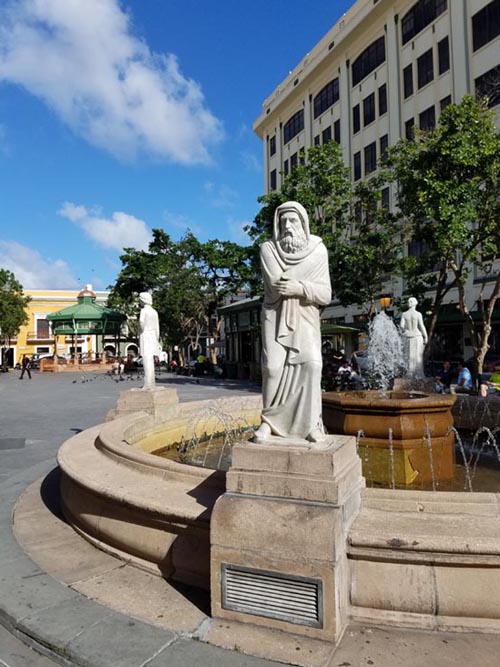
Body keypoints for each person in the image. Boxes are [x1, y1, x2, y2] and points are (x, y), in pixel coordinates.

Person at [254, 201, 332, 444]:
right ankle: (268, 423)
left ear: (303, 223)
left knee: (312, 365)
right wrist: (304, 284)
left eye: (293, 220)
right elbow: (277, 285)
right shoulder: (268, 249)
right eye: (283, 221)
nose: (287, 226)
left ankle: (311, 425)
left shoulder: (319, 251)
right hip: (275, 315)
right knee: (273, 368)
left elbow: (326, 294)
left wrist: (299, 287)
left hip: (305, 316)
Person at [400, 297, 428, 378]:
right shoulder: (418, 314)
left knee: (407, 355)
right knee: (417, 356)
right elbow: (421, 326)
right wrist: (425, 336)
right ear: (415, 304)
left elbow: (402, 326)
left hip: (407, 336)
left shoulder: (404, 314)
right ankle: (418, 374)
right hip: (417, 336)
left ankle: (408, 373)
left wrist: (406, 330)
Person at [138, 292, 160, 390]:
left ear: (143, 299)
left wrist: (141, 330)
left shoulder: (144, 310)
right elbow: (157, 327)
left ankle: (148, 383)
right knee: (150, 359)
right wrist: (156, 338)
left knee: (146, 358)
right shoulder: (154, 312)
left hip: (145, 334)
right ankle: (152, 382)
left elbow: (141, 322)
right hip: (153, 335)